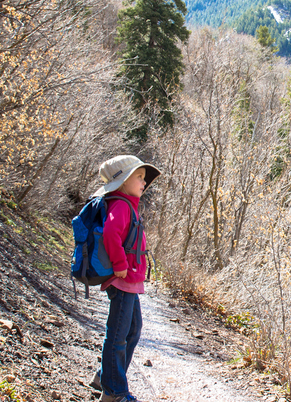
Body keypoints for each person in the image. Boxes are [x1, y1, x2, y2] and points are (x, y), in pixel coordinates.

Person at [88, 155, 161, 402]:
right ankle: (114, 392)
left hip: (129, 280)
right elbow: (110, 233)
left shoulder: (128, 204)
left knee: (133, 330)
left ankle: (104, 377)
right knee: (119, 334)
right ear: (122, 182)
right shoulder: (120, 205)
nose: (144, 182)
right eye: (138, 177)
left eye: (143, 178)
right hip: (122, 279)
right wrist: (119, 264)